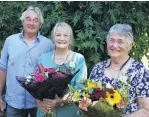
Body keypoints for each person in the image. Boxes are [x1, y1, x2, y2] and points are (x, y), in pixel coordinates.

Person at [0, 6, 54, 117]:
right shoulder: (10, 41)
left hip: (39, 102)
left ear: (40, 25)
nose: (31, 23)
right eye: (28, 19)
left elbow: (52, 73)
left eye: (36, 20)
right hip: (13, 102)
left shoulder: (48, 45)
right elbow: (3, 69)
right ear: (23, 22)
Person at [89, 24, 149, 117]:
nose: (114, 45)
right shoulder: (98, 68)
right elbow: (88, 99)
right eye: (111, 40)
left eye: (120, 42)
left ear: (130, 45)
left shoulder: (139, 71)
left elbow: (146, 110)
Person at [36, 22, 87, 117]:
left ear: (70, 39)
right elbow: (36, 83)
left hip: (69, 111)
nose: (61, 38)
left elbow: (80, 89)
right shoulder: (42, 59)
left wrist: (60, 101)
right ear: (53, 38)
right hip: (45, 110)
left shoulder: (78, 59)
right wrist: (38, 101)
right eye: (58, 35)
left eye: (66, 35)